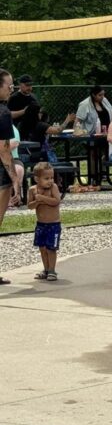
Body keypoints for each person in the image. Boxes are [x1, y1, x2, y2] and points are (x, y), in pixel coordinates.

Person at [0, 69, 22, 283]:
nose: (11, 89)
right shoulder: (3, 113)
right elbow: (4, 149)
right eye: (9, 86)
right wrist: (15, 179)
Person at [27, 161, 62, 282]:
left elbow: (56, 201)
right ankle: (46, 269)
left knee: (51, 248)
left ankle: (52, 270)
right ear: (37, 179)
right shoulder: (32, 190)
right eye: (46, 178)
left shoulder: (54, 188)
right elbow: (30, 206)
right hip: (41, 224)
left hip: (54, 224)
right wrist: (36, 202)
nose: (50, 181)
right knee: (42, 248)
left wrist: (42, 198)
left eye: (52, 177)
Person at [76, 85, 112, 187]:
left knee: (106, 152)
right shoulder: (85, 104)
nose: (102, 97)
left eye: (103, 94)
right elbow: (78, 120)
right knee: (93, 153)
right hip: (92, 135)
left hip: (107, 133)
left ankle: (103, 173)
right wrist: (78, 130)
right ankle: (93, 177)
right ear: (93, 95)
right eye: (100, 95)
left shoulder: (105, 101)